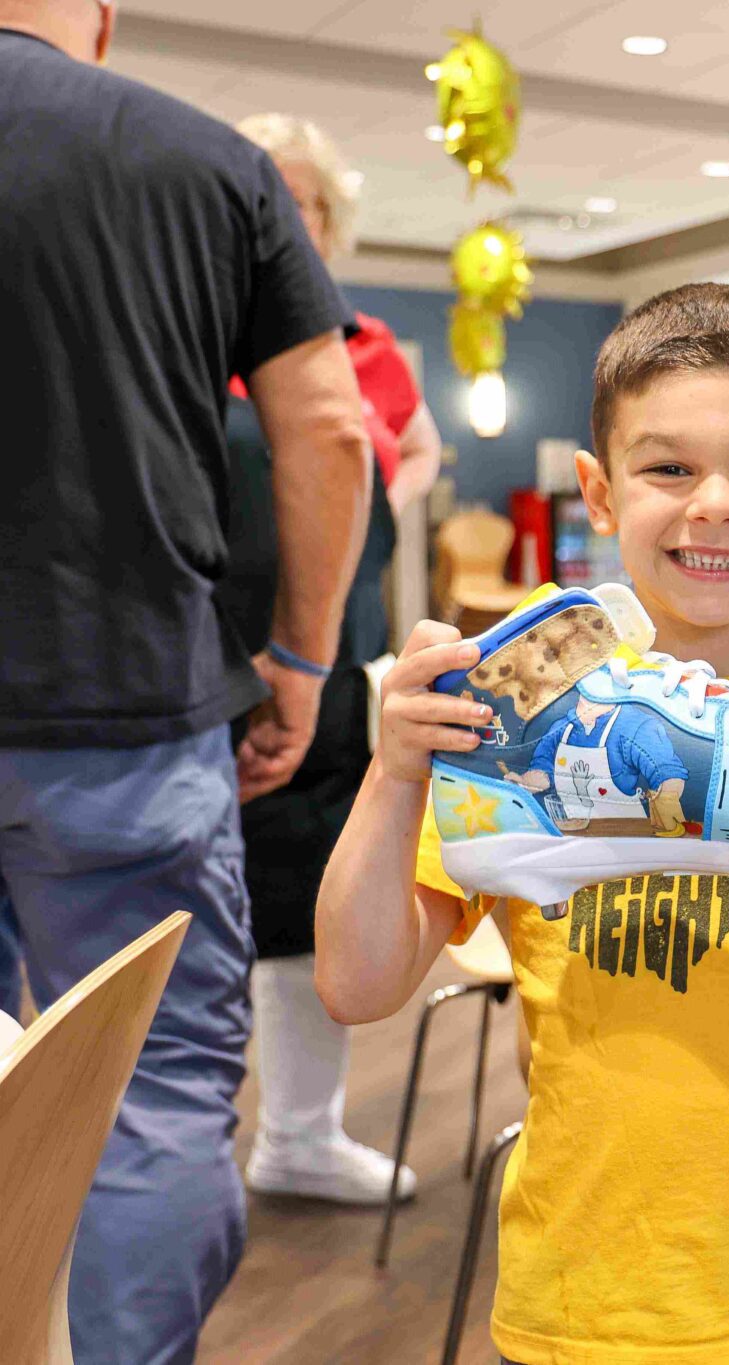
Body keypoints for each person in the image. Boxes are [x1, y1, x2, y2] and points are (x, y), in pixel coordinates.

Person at [316, 284, 729, 1364]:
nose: (716, 503)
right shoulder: (524, 729)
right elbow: (357, 985)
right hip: (584, 1291)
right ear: (597, 488)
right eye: (669, 468)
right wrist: (393, 772)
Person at [0, 3, 370, 1360]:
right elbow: (329, 430)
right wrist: (301, 661)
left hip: (125, 722)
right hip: (129, 719)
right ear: (98, 16)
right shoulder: (208, 161)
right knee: (150, 1099)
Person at [217, 112, 439, 1205]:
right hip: (207, 667)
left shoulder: (366, 346)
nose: (279, 218)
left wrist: (377, 504)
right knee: (194, 914)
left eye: (299, 201)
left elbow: (404, 448)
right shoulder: (188, 332)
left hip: (337, 660)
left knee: (310, 905)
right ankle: (158, 1158)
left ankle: (298, 1138)